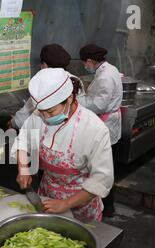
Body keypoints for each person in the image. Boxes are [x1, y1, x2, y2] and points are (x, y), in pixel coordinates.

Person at [12, 68, 114, 222]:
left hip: (81, 203)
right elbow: (23, 141)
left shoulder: (94, 129)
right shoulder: (37, 116)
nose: (46, 117)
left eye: (51, 112)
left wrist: (66, 203)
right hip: (46, 196)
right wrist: (23, 168)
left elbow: (101, 179)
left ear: (70, 99)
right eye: (42, 112)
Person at [78, 44, 123, 217]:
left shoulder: (105, 76)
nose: (85, 66)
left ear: (89, 60)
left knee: (102, 166)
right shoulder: (108, 69)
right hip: (107, 122)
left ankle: (108, 207)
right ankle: (104, 204)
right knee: (104, 165)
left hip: (106, 124)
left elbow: (99, 105)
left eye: (84, 63)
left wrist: (78, 101)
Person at [9, 44, 72, 130]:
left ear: (45, 65)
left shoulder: (47, 84)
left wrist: (13, 123)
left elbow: (27, 112)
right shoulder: (73, 79)